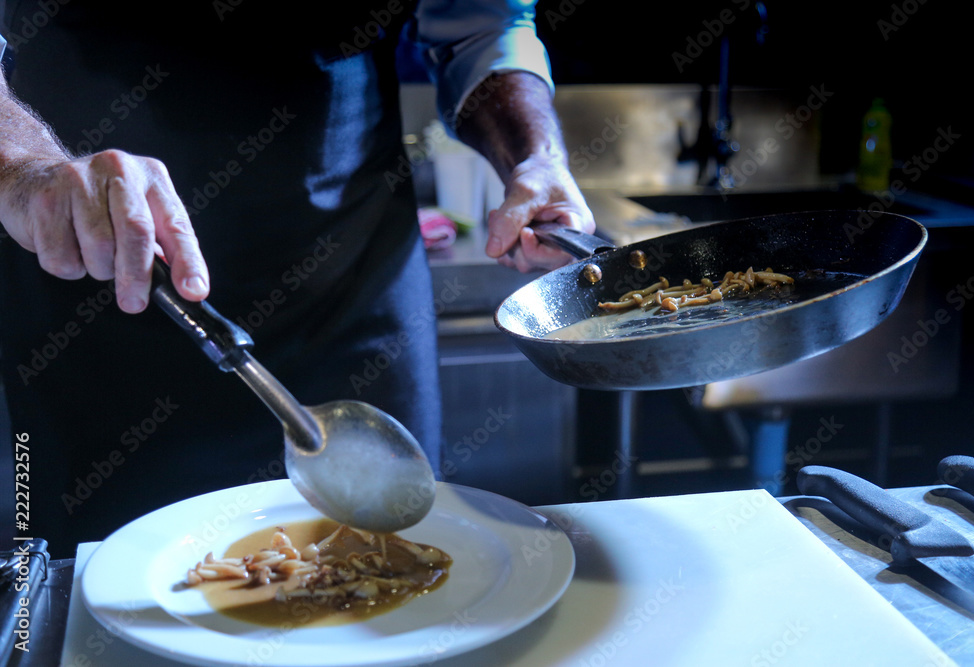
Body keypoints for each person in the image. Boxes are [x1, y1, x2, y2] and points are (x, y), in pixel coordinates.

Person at [0, 0, 595, 557]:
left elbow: (477, 22)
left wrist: (534, 154)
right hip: (92, 268)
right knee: (100, 600)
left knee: (396, 563)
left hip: (354, 270)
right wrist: (25, 166)